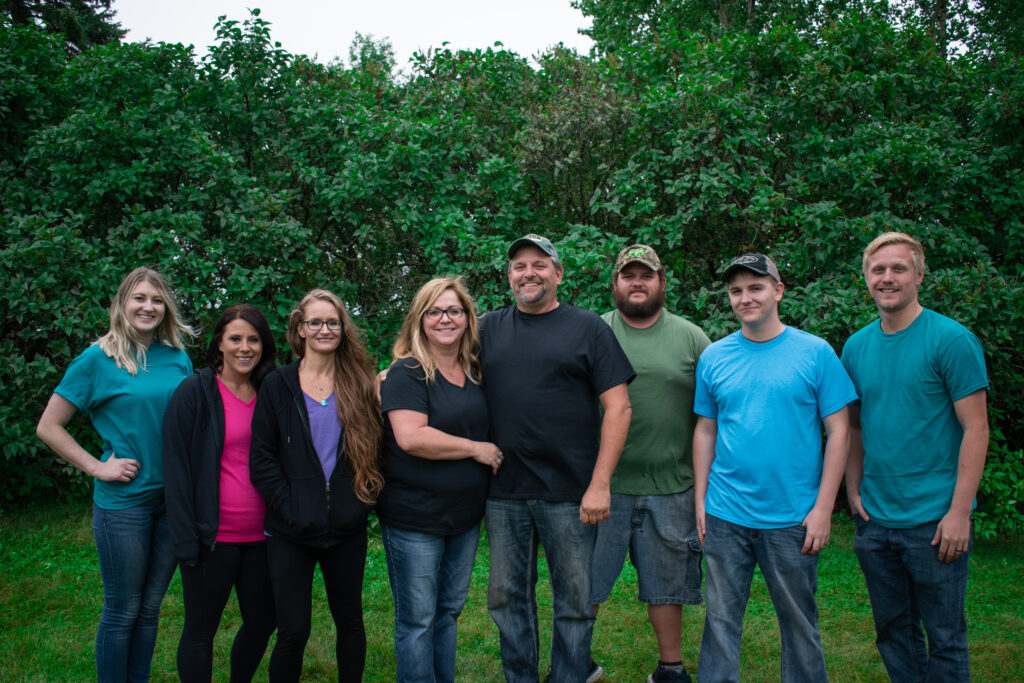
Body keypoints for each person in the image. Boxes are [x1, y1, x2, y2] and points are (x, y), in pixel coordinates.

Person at [692, 253, 857, 682]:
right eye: (736, 291)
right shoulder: (715, 356)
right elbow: (706, 431)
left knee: (799, 624)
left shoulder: (815, 353)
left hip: (792, 517)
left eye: (755, 288)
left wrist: (823, 508)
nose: (745, 298)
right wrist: (701, 499)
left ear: (778, 290)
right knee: (720, 621)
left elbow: (839, 432)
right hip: (726, 512)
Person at [482, 233, 635, 683]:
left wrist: (600, 483)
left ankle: (570, 676)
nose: (528, 273)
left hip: (570, 492)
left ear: (558, 274)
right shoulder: (487, 327)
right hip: (503, 491)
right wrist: (394, 371)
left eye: (539, 264)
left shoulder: (589, 328)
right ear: (509, 277)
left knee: (573, 599)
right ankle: (521, 677)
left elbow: (619, 407)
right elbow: (437, 361)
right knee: (507, 597)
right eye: (519, 266)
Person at [36, 266, 195, 683]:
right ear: (122, 303)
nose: (148, 306)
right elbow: (48, 426)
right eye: (139, 298)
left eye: (157, 300)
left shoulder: (177, 358)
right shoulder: (97, 359)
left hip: (172, 501)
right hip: (125, 503)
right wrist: (96, 466)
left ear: (166, 308)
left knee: (149, 608)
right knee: (123, 608)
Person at [841, 232, 989, 681]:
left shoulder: (951, 340)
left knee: (944, 638)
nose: (887, 278)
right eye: (878, 270)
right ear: (865, 278)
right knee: (893, 634)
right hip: (877, 520)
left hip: (935, 519)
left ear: (919, 276)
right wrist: (852, 488)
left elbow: (976, 428)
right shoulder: (856, 347)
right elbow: (855, 426)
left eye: (898, 268)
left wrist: (959, 512)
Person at [249, 289, 383, 683]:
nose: (325, 329)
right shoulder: (277, 384)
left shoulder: (359, 382)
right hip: (290, 530)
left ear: (342, 328)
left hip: (346, 527)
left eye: (333, 322)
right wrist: (291, 509)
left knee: (350, 623)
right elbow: (262, 458)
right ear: (300, 329)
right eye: (315, 322)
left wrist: (359, 505)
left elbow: (376, 452)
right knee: (293, 630)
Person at [590, 245, 710, 683]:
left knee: (668, 583)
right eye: (628, 275)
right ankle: (575, 659)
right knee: (586, 581)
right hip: (602, 484)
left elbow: (715, 409)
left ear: (662, 282)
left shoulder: (692, 337)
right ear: (615, 283)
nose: (636, 282)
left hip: (673, 482)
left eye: (646, 275)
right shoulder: (593, 331)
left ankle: (670, 667)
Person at [377, 276, 503, 683]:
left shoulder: (475, 370)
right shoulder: (408, 372)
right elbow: (411, 437)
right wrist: (476, 448)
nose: (445, 319)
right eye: (434, 311)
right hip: (416, 518)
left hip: (463, 519)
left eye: (454, 310)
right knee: (418, 621)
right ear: (420, 319)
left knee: (447, 614)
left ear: (468, 318)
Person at [163, 304, 278, 682]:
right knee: (200, 631)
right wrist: (185, 540)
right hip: (212, 537)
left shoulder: (272, 389)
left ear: (263, 345)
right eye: (235, 339)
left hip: (264, 536)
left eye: (253, 339)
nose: (245, 347)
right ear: (220, 344)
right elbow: (177, 469)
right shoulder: (195, 391)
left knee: (262, 623)